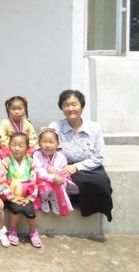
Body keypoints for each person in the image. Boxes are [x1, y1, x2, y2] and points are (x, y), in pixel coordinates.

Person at [48, 89, 113, 222]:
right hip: (64, 167)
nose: (70, 108)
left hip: (89, 166)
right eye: (66, 105)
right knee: (65, 183)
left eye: (74, 104)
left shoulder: (94, 128)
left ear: (82, 106)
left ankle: (96, 210)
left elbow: (99, 156)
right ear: (61, 108)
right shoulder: (55, 127)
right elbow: (48, 149)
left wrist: (77, 167)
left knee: (101, 183)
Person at [0, 133, 42, 248]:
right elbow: (1, 181)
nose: (17, 148)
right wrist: (12, 197)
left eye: (21, 145)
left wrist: (29, 198)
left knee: (29, 210)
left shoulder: (31, 162)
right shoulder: (5, 162)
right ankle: (13, 230)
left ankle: (33, 232)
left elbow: (34, 181)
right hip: (11, 194)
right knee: (17, 208)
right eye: (13, 145)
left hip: (27, 194)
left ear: (27, 148)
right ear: (9, 145)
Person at [33, 128, 74, 216]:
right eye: (44, 142)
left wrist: (57, 170)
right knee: (44, 184)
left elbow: (64, 168)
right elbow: (38, 170)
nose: (47, 145)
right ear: (39, 143)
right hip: (43, 178)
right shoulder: (37, 154)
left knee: (61, 180)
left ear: (57, 144)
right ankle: (44, 199)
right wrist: (51, 177)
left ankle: (54, 199)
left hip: (56, 179)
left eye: (51, 142)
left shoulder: (61, 156)